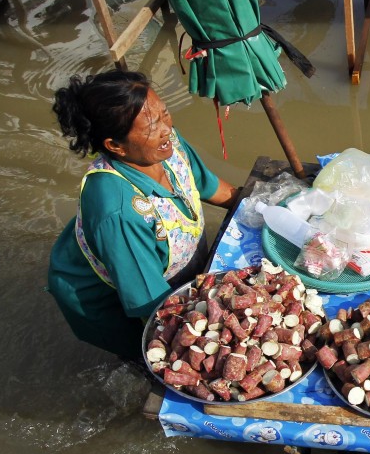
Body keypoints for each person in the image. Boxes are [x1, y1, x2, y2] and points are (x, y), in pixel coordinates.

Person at [47, 70, 239, 360]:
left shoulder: (166, 145)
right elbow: (150, 302)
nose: (166, 129)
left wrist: (265, 206)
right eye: (151, 126)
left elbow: (210, 187)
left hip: (144, 263)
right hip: (100, 296)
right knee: (144, 354)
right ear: (115, 146)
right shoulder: (120, 210)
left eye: (164, 114)